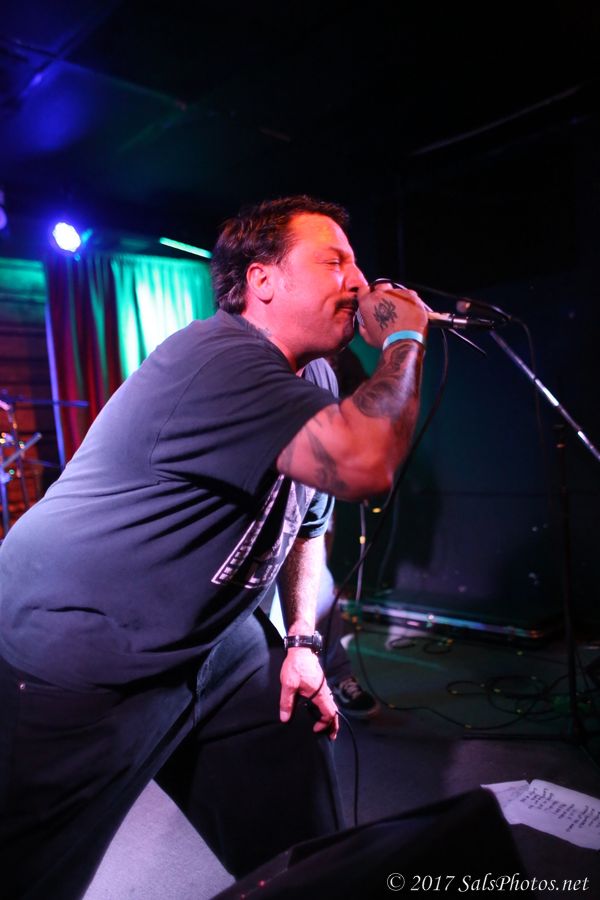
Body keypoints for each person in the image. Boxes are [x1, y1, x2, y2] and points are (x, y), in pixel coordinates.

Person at [0, 195, 428, 900]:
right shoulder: (219, 359)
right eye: (334, 262)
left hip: (215, 641)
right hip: (86, 651)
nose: (359, 281)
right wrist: (404, 339)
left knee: (298, 829)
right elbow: (366, 462)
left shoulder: (317, 377)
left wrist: (301, 640)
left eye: (357, 263)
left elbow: (306, 527)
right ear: (263, 280)